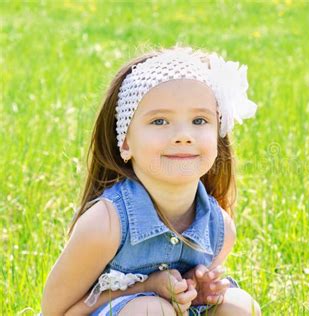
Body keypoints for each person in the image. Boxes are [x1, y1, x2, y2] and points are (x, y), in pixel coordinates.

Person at [40, 44, 261, 316]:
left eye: (200, 120)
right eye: (159, 121)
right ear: (125, 143)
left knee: (238, 305)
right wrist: (148, 287)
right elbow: (55, 312)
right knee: (150, 310)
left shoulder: (219, 228)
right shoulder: (106, 223)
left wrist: (197, 290)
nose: (184, 135)